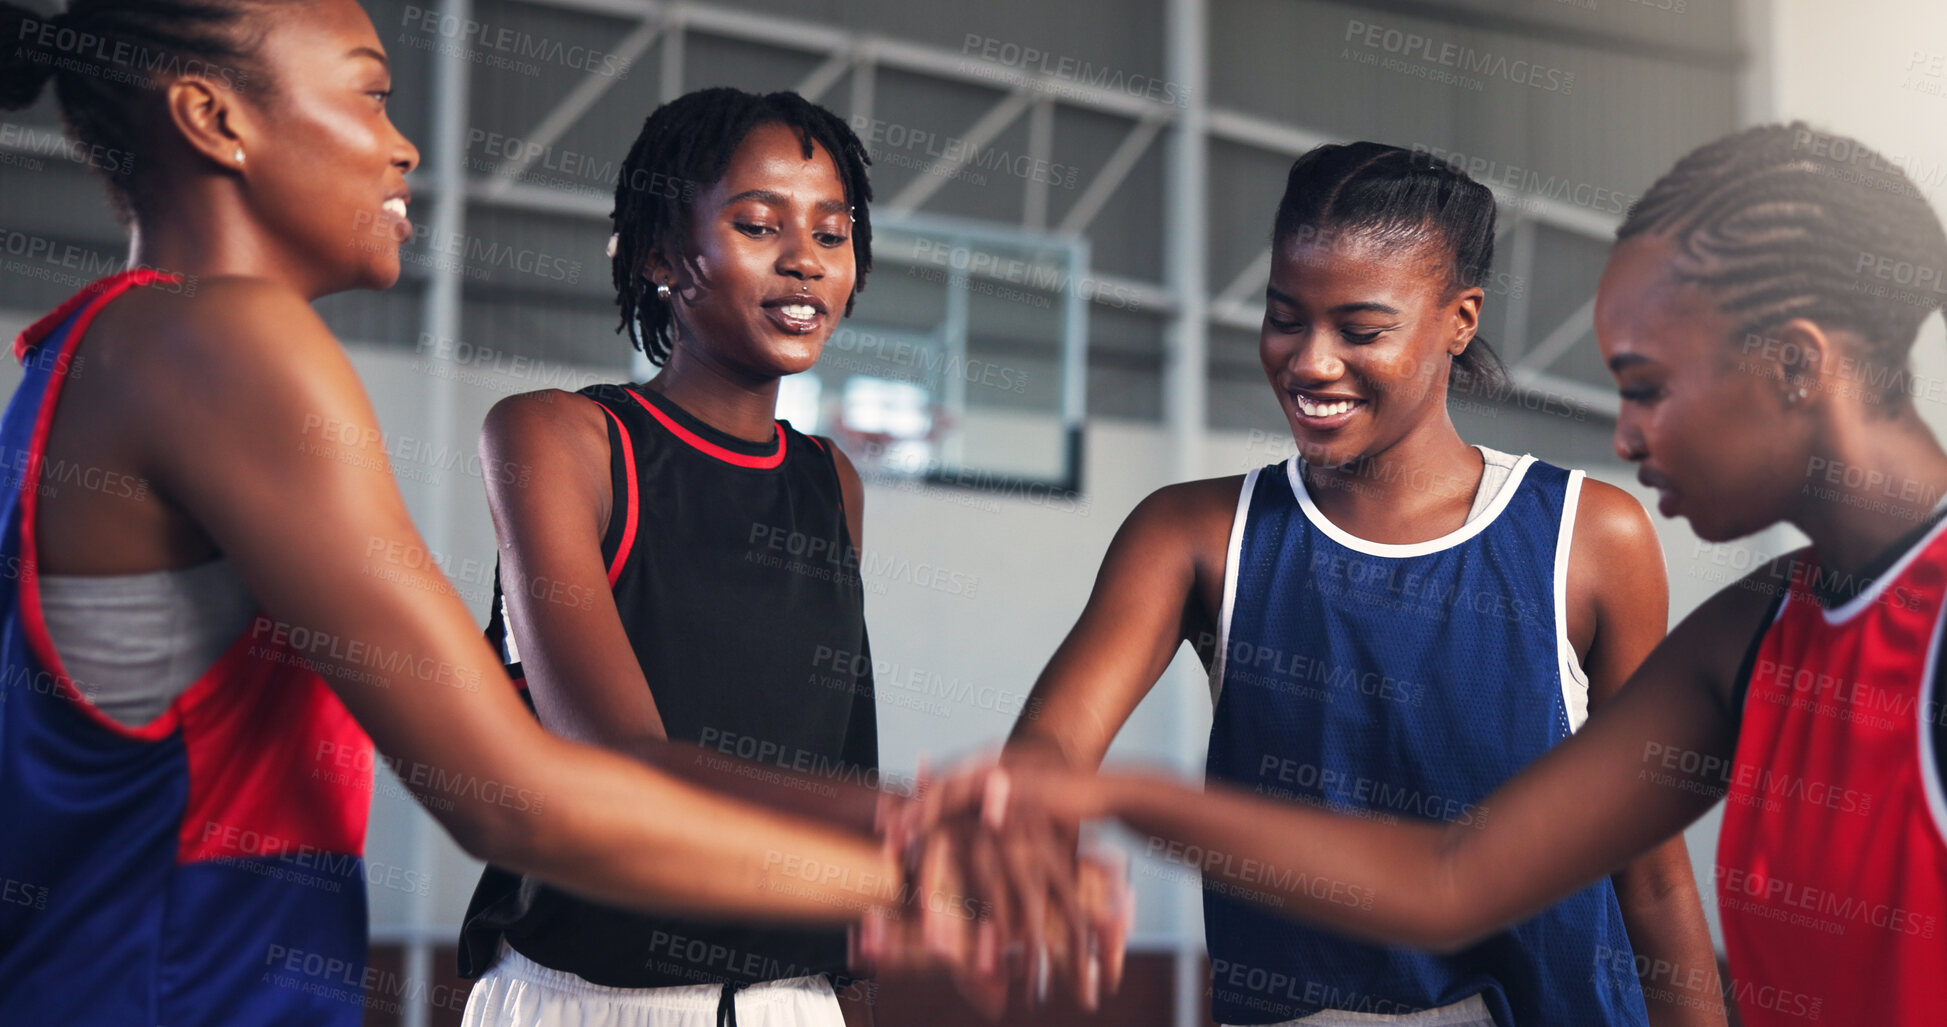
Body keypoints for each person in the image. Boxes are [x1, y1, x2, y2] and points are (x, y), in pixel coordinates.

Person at [0, 4, 1102, 1025]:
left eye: (834, 228)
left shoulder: (83, 352)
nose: (405, 146)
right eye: (372, 94)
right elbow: (523, 797)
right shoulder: (228, 342)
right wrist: (913, 866)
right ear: (213, 115)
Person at [983, 123, 1947, 1027]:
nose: (1310, 360)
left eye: (1360, 330)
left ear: (1458, 320)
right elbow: (1450, 878)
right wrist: (1069, 809)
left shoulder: (1590, 535)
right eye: (1284, 316)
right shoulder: (1758, 625)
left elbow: (1644, 875)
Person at [452, 87, 907, 1027]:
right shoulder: (559, 437)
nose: (804, 261)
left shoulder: (830, 481)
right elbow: (617, 761)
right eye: (756, 224)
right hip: (592, 992)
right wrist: (913, 826)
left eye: (832, 233)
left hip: (795, 998)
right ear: (661, 253)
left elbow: (833, 750)